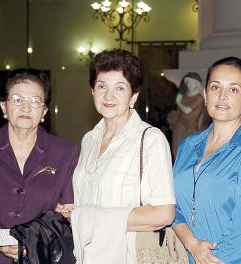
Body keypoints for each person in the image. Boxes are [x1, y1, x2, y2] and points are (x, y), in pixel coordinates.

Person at [72, 49, 176, 263]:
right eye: (101, 86)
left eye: (119, 88)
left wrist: (89, 217)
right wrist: (74, 212)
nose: (108, 96)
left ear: (134, 96)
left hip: (128, 256)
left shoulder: (150, 140)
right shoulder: (89, 140)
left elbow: (164, 213)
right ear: (93, 91)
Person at [173, 57, 241, 264]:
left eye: (233, 89)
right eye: (215, 87)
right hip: (193, 257)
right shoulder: (187, 146)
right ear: (205, 95)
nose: (222, 96)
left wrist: (209, 259)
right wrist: (192, 245)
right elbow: (173, 208)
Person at [0, 68, 78, 263]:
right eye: (17, 100)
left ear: (44, 111)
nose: (26, 108)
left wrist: (68, 215)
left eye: (35, 101)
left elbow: (69, 213)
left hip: (41, 257)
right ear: (4, 107)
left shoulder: (64, 152)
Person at [167, 72, 210, 157]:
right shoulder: (184, 95)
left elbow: (187, 110)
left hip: (191, 128)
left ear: (197, 84)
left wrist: (178, 102)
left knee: (189, 153)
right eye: (188, 83)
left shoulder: (200, 97)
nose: (190, 85)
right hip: (179, 127)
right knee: (177, 151)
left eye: (193, 83)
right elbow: (179, 112)